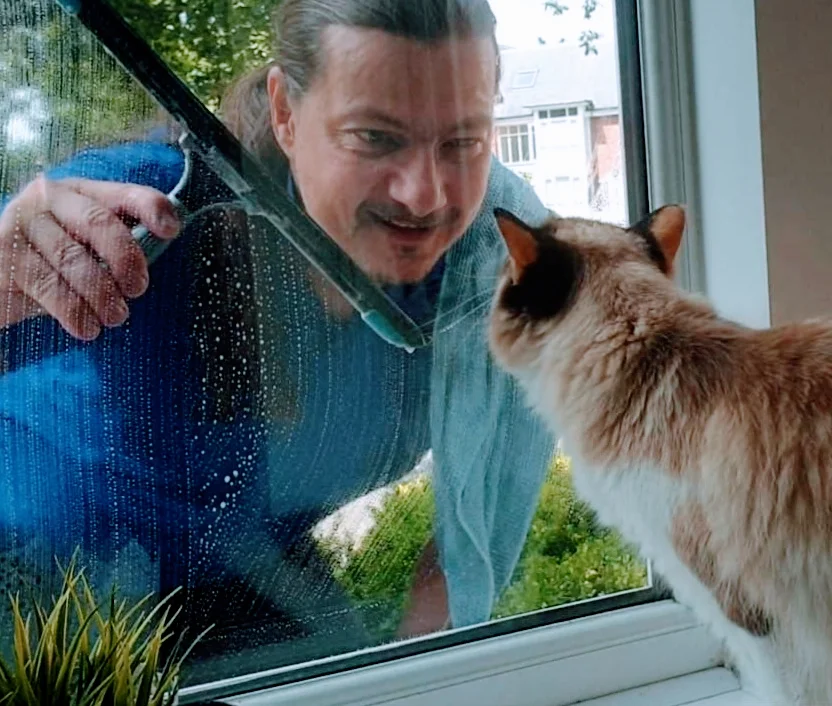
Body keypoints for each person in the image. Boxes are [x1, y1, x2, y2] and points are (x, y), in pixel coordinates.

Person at [0, 0, 554, 680]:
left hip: (246, 579)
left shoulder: (488, 272)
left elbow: (462, 559)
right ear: (287, 114)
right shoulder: (149, 210)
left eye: (462, 141)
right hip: (28, 593)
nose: (423, 195)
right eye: (376, 138)